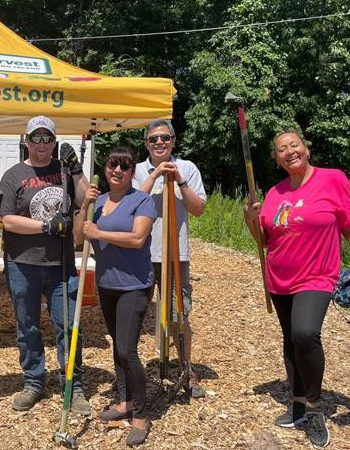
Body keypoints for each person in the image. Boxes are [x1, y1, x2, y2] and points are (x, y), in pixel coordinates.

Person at [244, 130, 350, 448]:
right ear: (277, 159)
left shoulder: (332, 180)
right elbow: (265, 242)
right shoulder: (274, 193)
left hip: (317, 276)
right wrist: (250, 221)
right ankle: (298, 403)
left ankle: (314, 410)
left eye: (294, 145)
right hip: (279, 278)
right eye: (281, 149)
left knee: (304, 333)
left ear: (306, 149)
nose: (289, 151)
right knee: (291, 340)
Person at [0, 116, 91, 416]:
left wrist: (76, 169)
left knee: (67, 324)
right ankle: (33, 381)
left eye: (47, 138)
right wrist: (46, 227)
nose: (42, 144)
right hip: (22, 263)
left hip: (59, 264)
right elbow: (8, 220)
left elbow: (85, 199)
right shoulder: (14, 175)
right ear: (26, 140)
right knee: (27, 326)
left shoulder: (64, 171)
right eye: (36, 138)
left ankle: (73, 384)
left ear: (54, 141)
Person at [75, 146, 156, 446]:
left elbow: (137, 238)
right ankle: (125, 401)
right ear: (105, 169)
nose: (117, 171)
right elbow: (78, 236)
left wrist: (100, 234)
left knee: (127, 349)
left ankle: (141, 416)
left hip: (135, 284)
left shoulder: (142, 200)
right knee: (117, 346)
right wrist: (84, 206)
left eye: (124, 167)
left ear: (133, 172)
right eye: (112, 165)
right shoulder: (98, 202)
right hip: (108, 285)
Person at [133, 119, 207, 397]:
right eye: (153, 139)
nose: (159, 143)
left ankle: (186, 369)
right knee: (136, 314)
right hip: (140, 252)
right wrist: (153, 177)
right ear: (147, 144)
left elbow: (198, 209)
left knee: (178, 314)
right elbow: (130, 204)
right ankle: (132, 372)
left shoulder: (187, 168)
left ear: (174, 140)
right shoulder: (139, 170)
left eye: (165, 137)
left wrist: (180, 181)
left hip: (176, 254)